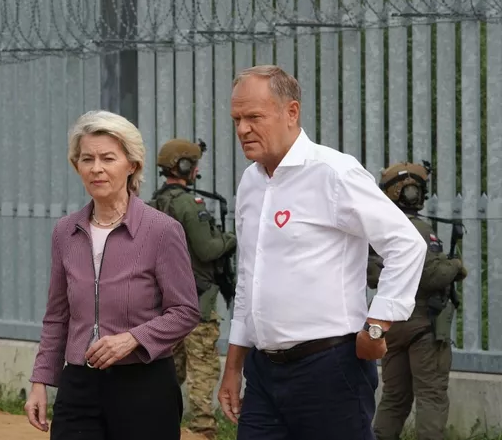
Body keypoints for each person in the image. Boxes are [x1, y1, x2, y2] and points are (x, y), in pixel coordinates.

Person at [217, 64, 428, 440]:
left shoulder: (334, 173)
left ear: (291, 112)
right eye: (237, 119)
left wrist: (377, 324)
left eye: (254, 117)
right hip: (263, 372)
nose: (243, 129)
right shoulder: (251, 182)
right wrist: (233, 366)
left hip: (329, 369)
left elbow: (406, 243)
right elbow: (249, 278)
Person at [24, 110, 200, 440]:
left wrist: (134, 338)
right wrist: (40, 381)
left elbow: (185, 311)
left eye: (108, 158)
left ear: (131, 164)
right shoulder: (65, 232)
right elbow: (57, 316)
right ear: (76, 165)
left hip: (144, 385)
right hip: (79, 386)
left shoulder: (162, 230)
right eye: (87, 159)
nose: (96, 168)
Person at [368, 161, 468, 440]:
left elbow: (373, 275)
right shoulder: (420, 230)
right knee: (431, 396)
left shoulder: (379, 230)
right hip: (423, 324)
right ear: (412, 192)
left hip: (391, 324)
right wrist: (456, 266)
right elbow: (432, 277)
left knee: (394, 397)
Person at [147, 138, 237, 440]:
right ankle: (202, 430)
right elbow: (207, 248)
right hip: (197, 301)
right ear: (185, 167)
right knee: (203, 369)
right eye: (194, 164)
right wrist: (231, 239)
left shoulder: (155, 202)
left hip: (166, 302)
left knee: (170, 369)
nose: (197, 170)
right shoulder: (188, 204)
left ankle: (156, 423)